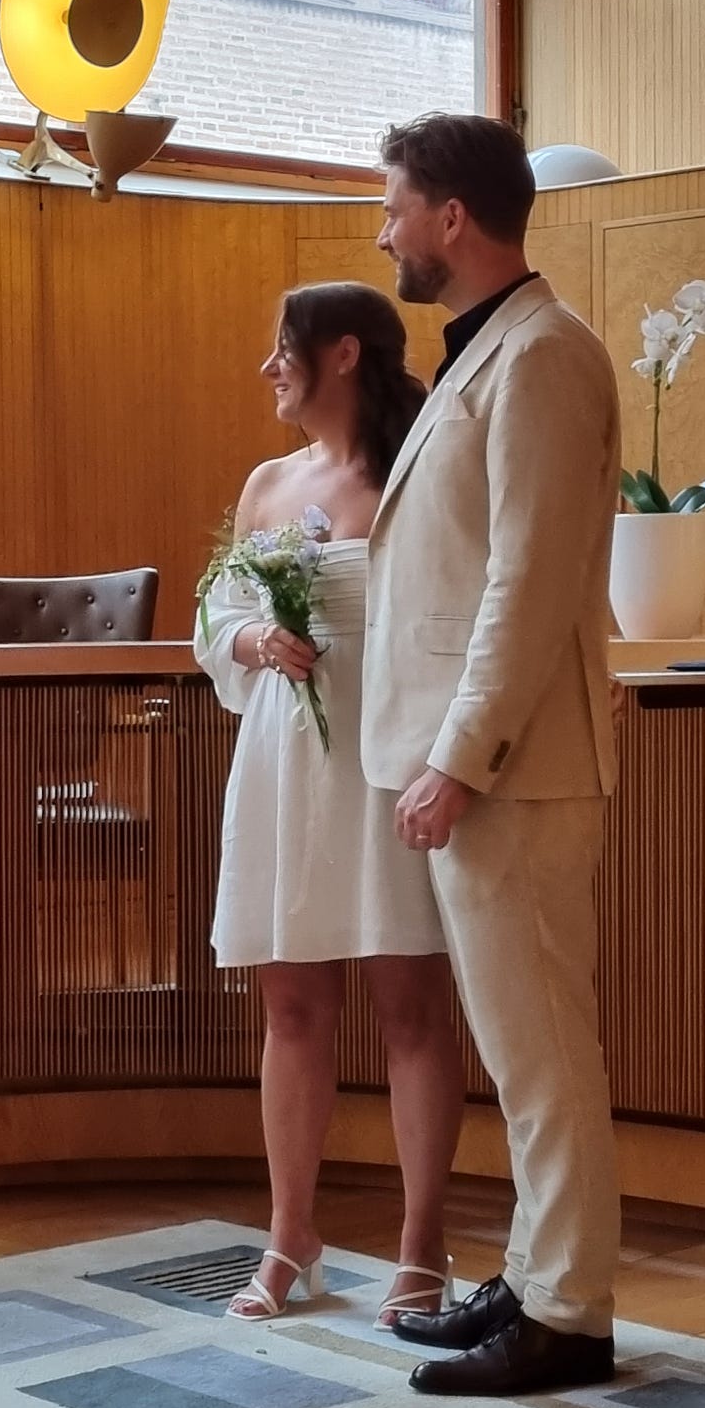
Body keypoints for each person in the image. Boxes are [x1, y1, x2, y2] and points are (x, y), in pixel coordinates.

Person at [366, 112, 622, 1395]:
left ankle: (569, 1311)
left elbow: (526, 583)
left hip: (517, 764)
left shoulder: (543, 358)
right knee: (519, 1046)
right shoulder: (488, 352)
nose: (384, 228)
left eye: (395, 203)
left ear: (452, 218)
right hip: (492, 761)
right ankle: (535, 1277)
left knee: (541, 1047)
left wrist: (459, 754)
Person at [194, 282, 466, 1328]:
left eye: (283, 349)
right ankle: (290, 1234)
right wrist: (253, 640)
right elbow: (215, 617)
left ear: (341, 354)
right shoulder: (267, 482)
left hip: (387, 750)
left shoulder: (417, 473)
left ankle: (420, 1241)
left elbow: (459, 609)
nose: (268, 367)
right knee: (294, 1007)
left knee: (409, 1008)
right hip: (281, 761)